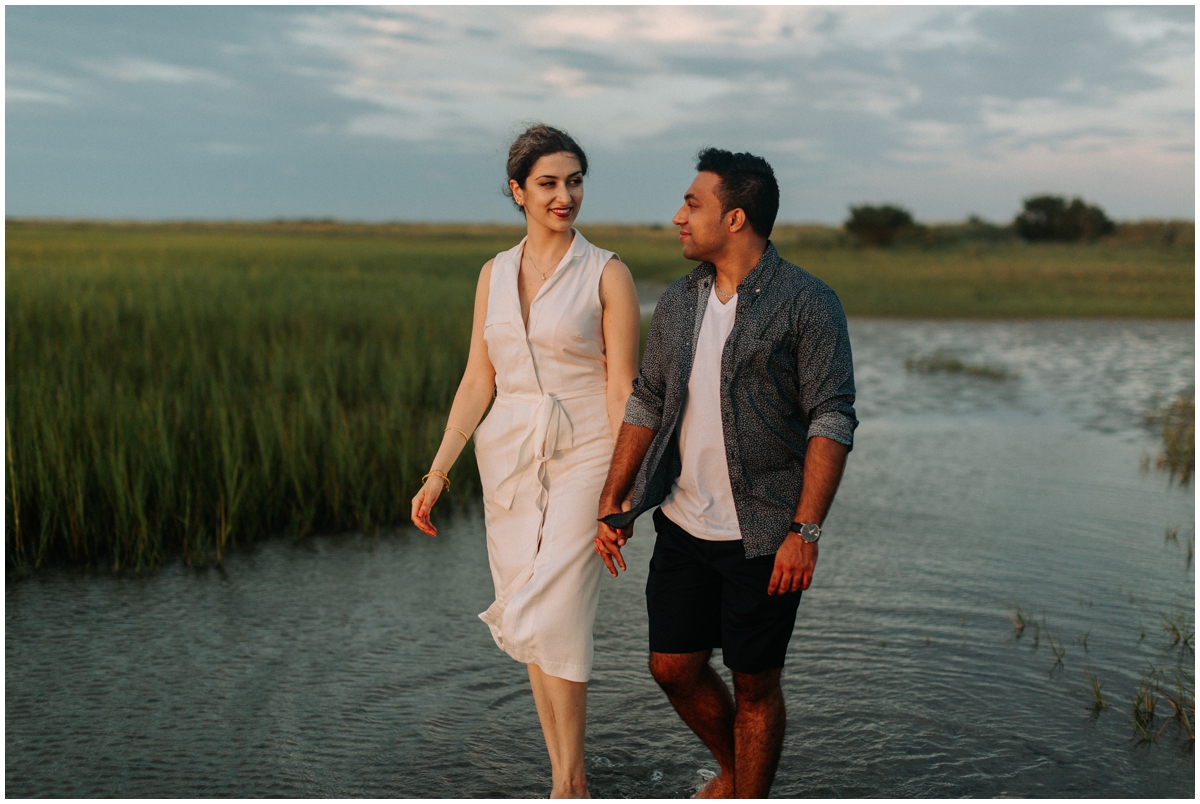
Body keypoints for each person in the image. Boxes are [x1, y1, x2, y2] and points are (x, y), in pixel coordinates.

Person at [594, 148, 857, 798]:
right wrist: (614, 498)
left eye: (693, 203)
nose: (679, 217)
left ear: (735, 217)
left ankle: (747, 797)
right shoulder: (680, 302)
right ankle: (740, 773)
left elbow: (832, 417)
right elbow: (648, 399)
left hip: (766, 535)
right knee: (672, 667)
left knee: (756, 683)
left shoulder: (808, 303)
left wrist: (806, 531)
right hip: (683, 524)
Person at [411, 124, 640, 798]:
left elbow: (623, 387)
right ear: (517, 191)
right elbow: (478, 380)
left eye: (574, 182)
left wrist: (621, 492)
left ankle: (569, 786)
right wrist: (437, 471)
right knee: (531, 616)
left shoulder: (608, 272)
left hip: (589, 448)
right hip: (507, 454)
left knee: (555, 610)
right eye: (548, 183)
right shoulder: (493, 273)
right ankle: (566, 776)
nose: (564, 195)